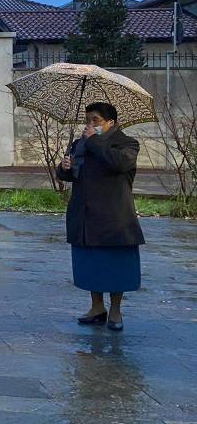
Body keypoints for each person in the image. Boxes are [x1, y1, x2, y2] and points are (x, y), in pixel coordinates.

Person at [56, 102, 144, 332]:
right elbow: (70, 174)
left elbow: (118, 163)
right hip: (85, 215)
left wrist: (94, 141)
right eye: (87, 120)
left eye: (95, 120)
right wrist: (65, 167)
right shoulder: (81, 144)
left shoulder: (127, 144)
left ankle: (115, 310)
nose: (90, 124)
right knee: (91, 265)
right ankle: (97, 308)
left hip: (114, 218)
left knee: (116, 266)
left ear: (110, 123)